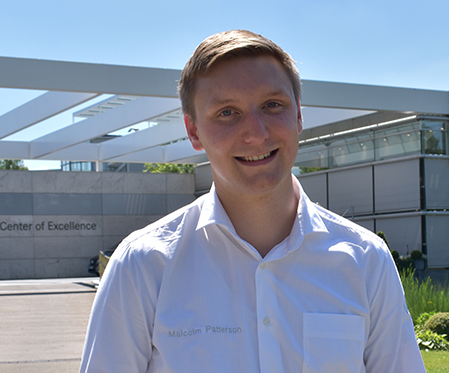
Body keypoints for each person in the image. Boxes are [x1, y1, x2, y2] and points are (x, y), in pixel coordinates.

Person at [80, 30, 426, 372]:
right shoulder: (142, 265)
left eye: (272, 105)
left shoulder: (366, 261)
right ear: (193, 131)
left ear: (299, 115)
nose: (257, 133)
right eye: (227, 113)